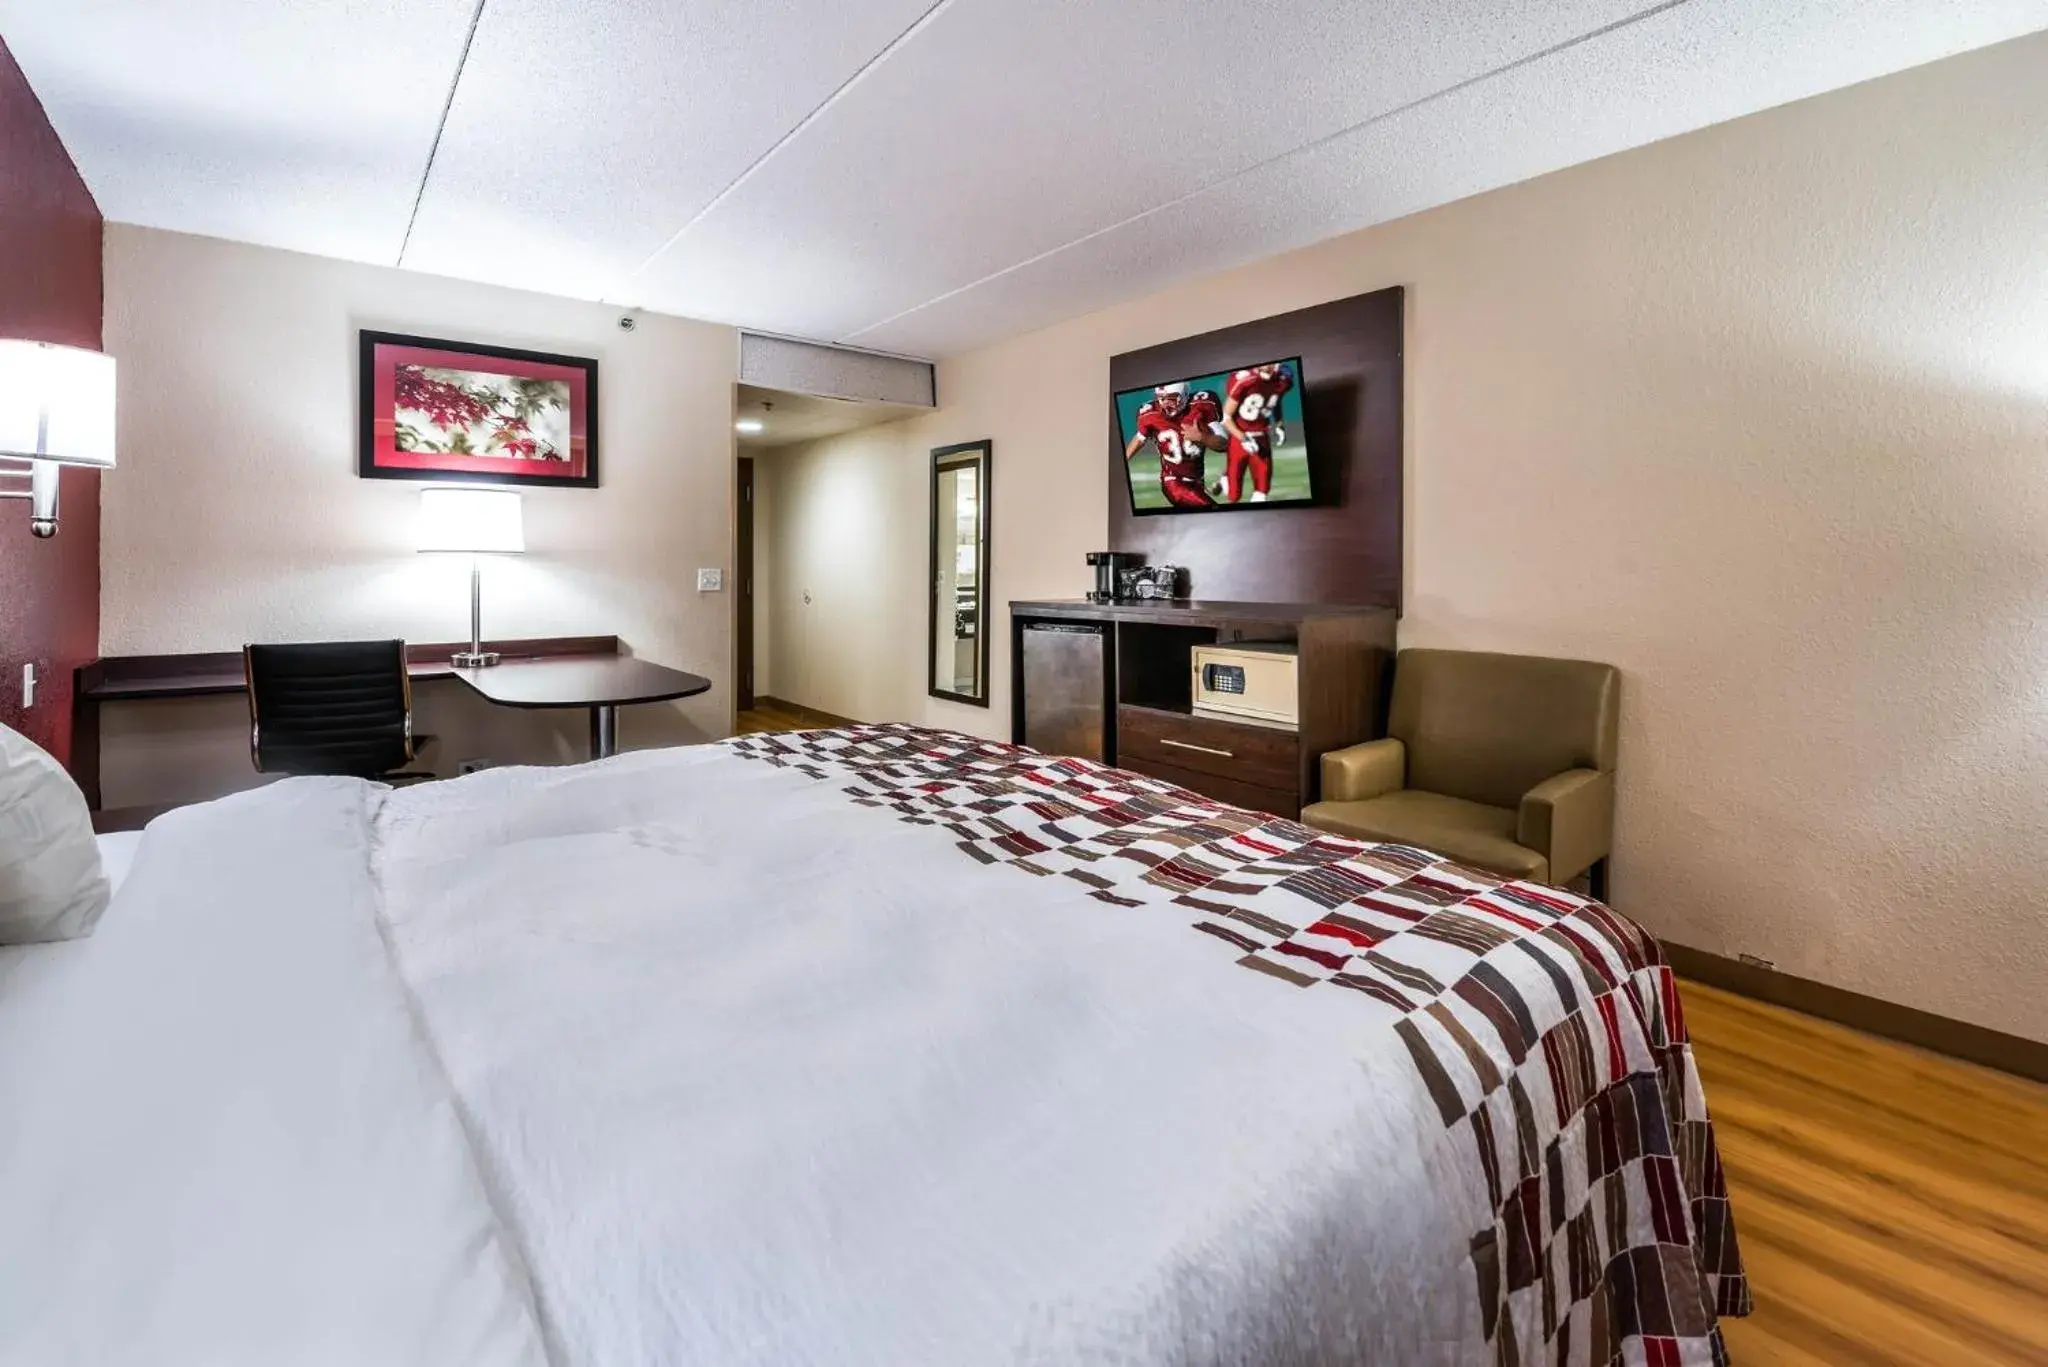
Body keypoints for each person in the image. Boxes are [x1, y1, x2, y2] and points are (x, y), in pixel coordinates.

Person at [1125, 382, 1225, 509]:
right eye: (1161, 399)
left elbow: (1223, 445)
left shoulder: (1201, 406)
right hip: (1173, 482)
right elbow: (1139, 438)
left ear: (1183, 396)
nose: (1164, 403)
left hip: (1197, 481)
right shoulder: (1150, 414)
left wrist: (1202, 437)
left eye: (1171, 399)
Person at [1217, 361, 1295, 503]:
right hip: (1239, 437)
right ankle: (1225, 476)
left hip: (1262, 435)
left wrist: (1279, 423)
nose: (1270, 367)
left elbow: (1275, 400)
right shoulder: (1245, 380)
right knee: (1234, 494)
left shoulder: (1283, 379)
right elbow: (1225, 417)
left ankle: (1225, 477)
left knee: (1262, 491)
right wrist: (1243, 438)